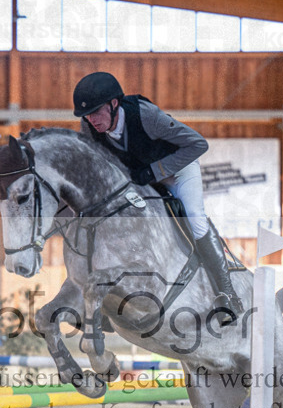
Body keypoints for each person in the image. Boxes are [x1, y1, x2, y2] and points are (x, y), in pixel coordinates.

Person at [72, 71, 244, 323]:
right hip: (141, 179)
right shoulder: (90, 127)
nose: (91, 119)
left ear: (114, 104)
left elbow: (198, 144)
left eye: (96, 112)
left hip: (179, 171)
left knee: (195, 219)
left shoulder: (146, 116)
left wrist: (154, 171)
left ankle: (227, 294)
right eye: (87, 114)